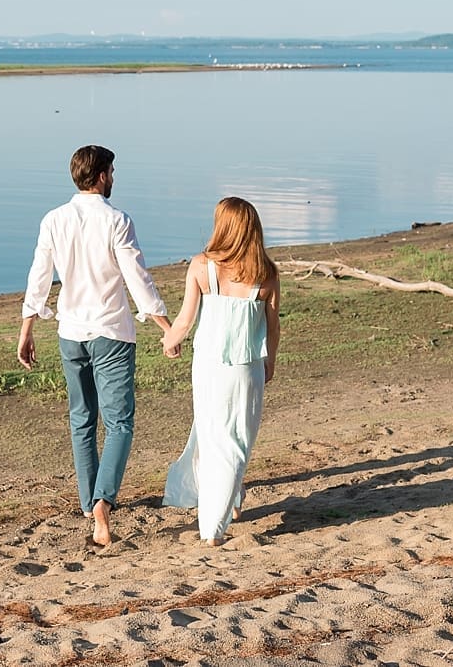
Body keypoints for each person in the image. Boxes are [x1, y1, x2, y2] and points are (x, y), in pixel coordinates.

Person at [18, 145, 172, 547]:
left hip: (70, 333)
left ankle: (89, 502)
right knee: (119, 422)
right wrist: (165, 326)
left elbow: (39, 276)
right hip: (111, 333)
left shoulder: (53, 219)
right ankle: (103, 502)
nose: (114, 178)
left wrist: (27, 328)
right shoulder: (117, 220)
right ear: (102, 175)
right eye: (113, 171)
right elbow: (137, 278)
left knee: (81, 418)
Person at [160, 196, 281, 546]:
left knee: (214, 438)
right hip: (247, 367)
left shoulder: (202, 267)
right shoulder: (266, 273)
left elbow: (185, 320)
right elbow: (273, 328)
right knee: (237, 442)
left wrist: (170, 341)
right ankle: (215, 524)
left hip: (209, 365)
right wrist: (270, 360)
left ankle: (217, 517)